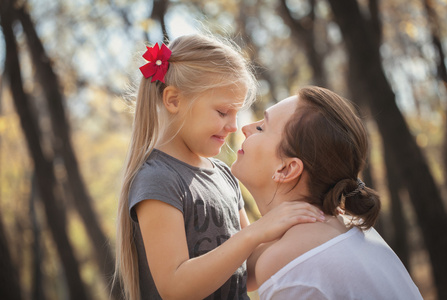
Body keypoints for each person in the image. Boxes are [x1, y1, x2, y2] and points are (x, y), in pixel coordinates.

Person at [114, 35, 325, 300]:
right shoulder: (158, 178)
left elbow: (247, 272)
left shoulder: (224, 175)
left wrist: (299, 229)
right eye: (223, 112)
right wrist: (255, 233)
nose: (234, 126)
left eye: (237, 113)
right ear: (174, 100)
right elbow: (175, 288)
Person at [231, 86, 423, 299]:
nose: (246, 127)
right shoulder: (349, 227)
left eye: (261, 128)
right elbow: (240, 270)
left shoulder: (286, 258)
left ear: (286, 168)